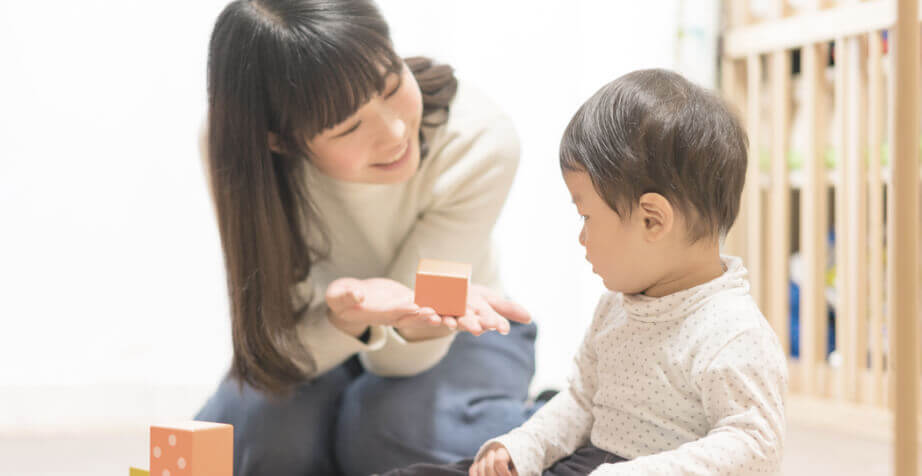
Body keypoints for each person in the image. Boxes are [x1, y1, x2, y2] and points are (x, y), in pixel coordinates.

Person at [381, 69, 787, 476]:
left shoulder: (733, 332)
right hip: (591, 461)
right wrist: (524, 446)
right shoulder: (617, 306)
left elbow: (755, 446)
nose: (582, 237)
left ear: (652, 220)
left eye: (586, 216)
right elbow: (579, 400)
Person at [194, 1, 540, 474]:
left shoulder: (478, 139)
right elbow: (277, 346)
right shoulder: (240, 152)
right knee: (265, 441)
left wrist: (397, 314)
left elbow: (403, 355)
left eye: (393, 85)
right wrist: (347, 322)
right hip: (319, 330)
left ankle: (547, 420)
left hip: (460, 329)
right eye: (349, 126)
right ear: (281, 140)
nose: (395, 132)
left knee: (386, 431)